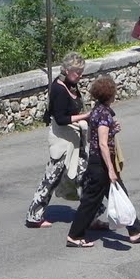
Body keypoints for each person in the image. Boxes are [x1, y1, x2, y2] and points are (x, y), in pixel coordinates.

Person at [66, 75, 140, 248]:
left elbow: (102, 135)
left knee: (121, 194)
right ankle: (74, 236)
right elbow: (102, 143)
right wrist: (111, 170)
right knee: (90, 202)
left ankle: (135, 232)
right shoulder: (104, 114)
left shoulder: (98, 110)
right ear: (109, 94)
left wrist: (112, 131)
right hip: (100, 165)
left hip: (101, 164)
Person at [24, 52, 90, 229]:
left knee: (85, 177)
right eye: (77, 72)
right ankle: (34, 216)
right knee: (52, 177)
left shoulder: (72, 86)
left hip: (75, 140)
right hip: (62, 141)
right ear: (67, 70)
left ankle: (92, 215)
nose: (80, 75)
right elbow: (61, 118)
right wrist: (86, 117)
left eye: (81, 71)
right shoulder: (59, 89)